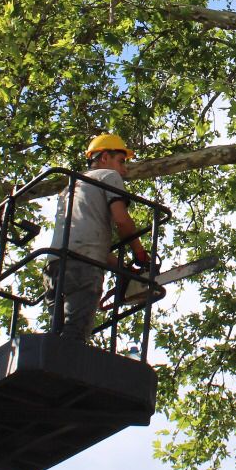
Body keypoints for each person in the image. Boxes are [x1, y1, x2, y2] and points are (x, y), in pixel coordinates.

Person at [48, 133, 150, 341]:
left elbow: (87, 246)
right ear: (104, 158)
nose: (124, 169)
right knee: (75, 336)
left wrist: (123, 267)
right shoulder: (108, 177)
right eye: (121, 162)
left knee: (57, 334)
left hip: (54, 266)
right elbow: (121, 220)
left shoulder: (70, 188)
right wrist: (140, 253)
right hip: (82, 268)